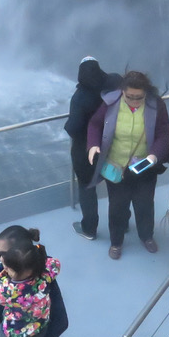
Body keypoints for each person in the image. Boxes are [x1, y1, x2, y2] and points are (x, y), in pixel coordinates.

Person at [86, 70, 169, 260]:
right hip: (116, 166)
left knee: (145, 204)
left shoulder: (156, 105)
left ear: (146, 93)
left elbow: (164, 134)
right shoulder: (111, 103)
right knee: (117, 206)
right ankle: (116, 242)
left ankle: (146, 236)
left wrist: (154, 156)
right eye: (129, 97)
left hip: (145, 166)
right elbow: (94, 124)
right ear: (122, 91)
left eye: (138, 97)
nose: (134, 101)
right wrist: (93, 145)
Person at [64, 56, 120, 241]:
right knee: (116, 185)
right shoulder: (113, 82)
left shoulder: (80, 97)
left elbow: (74, 127)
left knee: (87, 188)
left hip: (86, 151)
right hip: (113, 145)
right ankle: (122, 224)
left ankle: (89, 228)